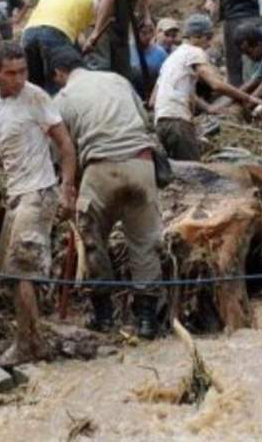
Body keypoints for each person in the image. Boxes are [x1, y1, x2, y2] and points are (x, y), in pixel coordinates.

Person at [0, 42, 78, 365]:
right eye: (11, 73)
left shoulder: (36, 98)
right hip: (15, 193)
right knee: (9, 272)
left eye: (23, 71)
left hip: (40, 190)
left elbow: (66, 146)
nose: (18, 79)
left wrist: (67, 188)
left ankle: (29, 344)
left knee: (22, 268)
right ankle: (30, 336)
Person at [49, 47, 165, 339]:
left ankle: (103, 318)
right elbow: (144, 119)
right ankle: (146, 321)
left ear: (59, 74)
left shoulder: (62, 98)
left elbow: (64, 151)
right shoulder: (117, 80)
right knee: (145, 242)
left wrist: (67, 188)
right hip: (141, 164)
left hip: (100, 170)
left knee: (91, 240)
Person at [152, 14, 262, 160]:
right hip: (177, 123)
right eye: (208, 37)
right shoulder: (194, 52)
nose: (210, 43)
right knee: (194, 174)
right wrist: (248, 97)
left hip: (161, 123)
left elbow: (154, 99)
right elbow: (216, 84)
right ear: (197, 36)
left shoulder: (172, 58)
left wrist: (209, 109)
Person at [21, 0, 115, 93]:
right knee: (67, 80)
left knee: (36, 86)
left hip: (29, 33)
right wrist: (96, 32)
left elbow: (75, 35)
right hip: (54, 32)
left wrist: (86, 43)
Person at [128, 20, 168, 93]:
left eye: (151, 32)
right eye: (144, 33)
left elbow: (166, 78)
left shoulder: (160, 53)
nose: (148, 36)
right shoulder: (127, 52)